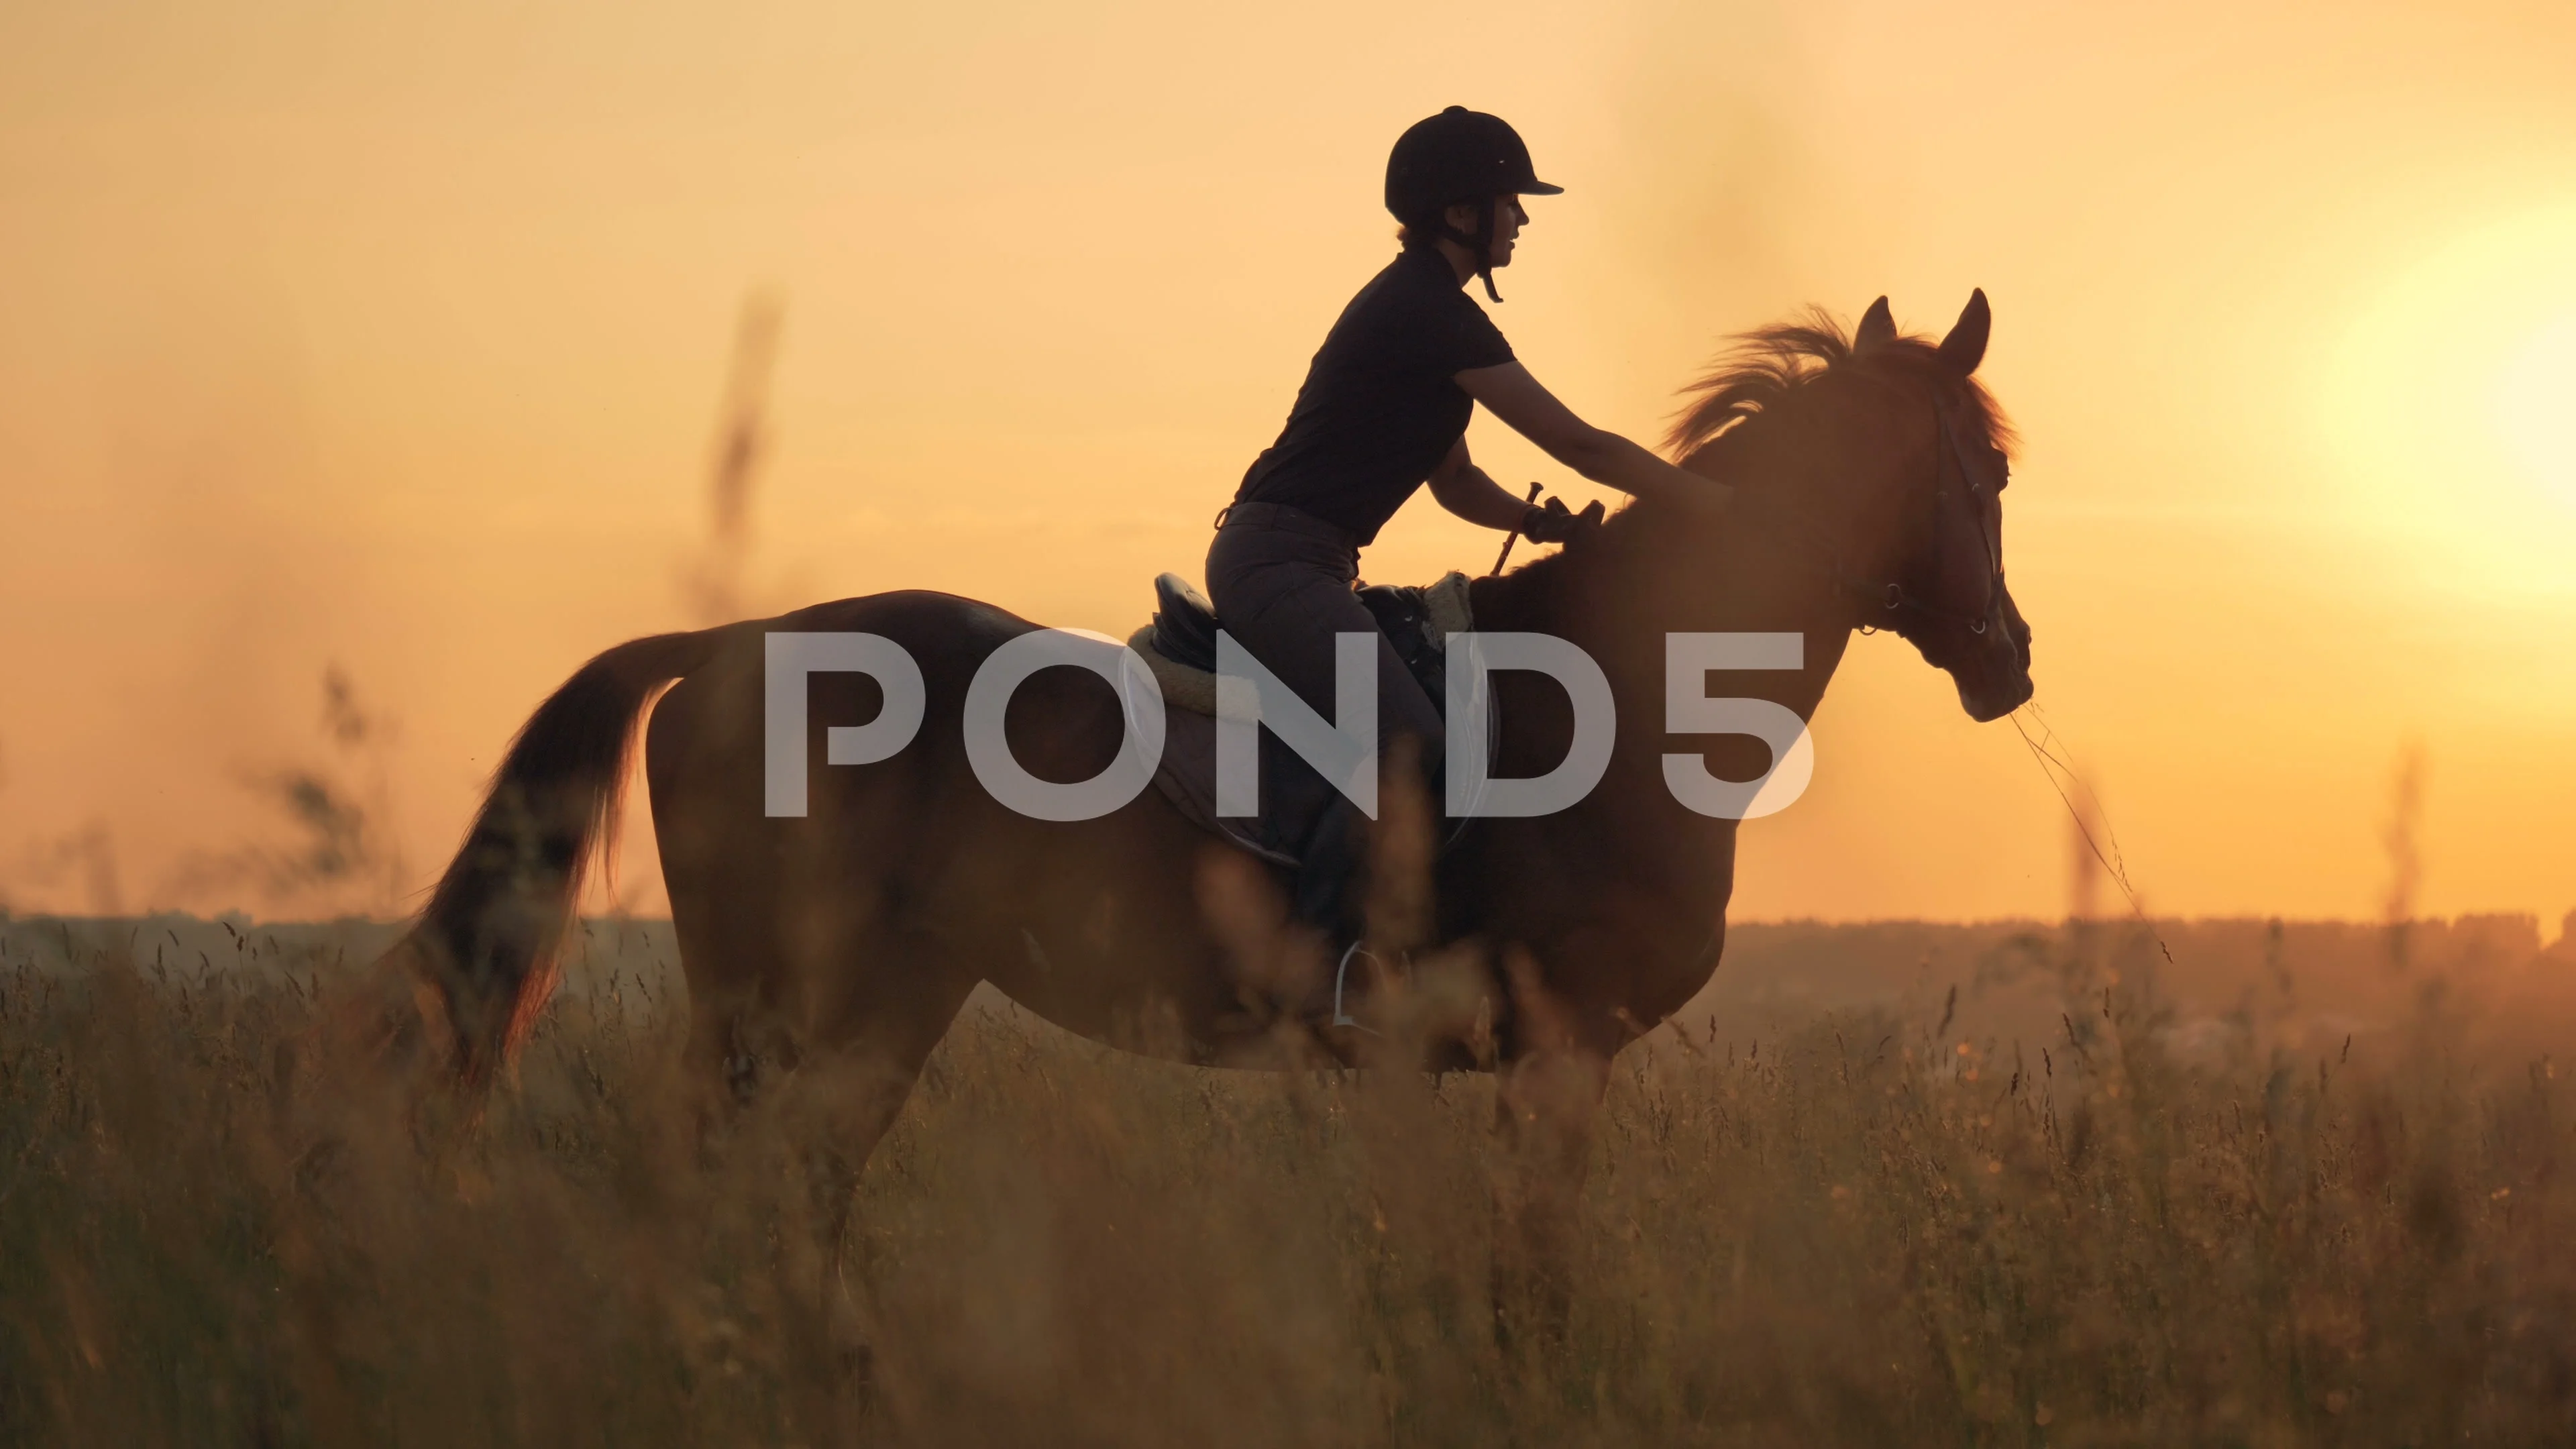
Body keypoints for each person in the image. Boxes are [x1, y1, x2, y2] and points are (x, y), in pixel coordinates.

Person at [1208, 105, 1725, 943]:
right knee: (1412, 747)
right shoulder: (1431, 312)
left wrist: (1534, 521)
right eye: (1510, 201)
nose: (1521, 218)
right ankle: (1336, 963)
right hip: (1280, 566)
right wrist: (1714, 503)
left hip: (1307, 562)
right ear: (1460, 214)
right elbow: (1579, 443)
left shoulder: (1423, 309)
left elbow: (1454, 482)